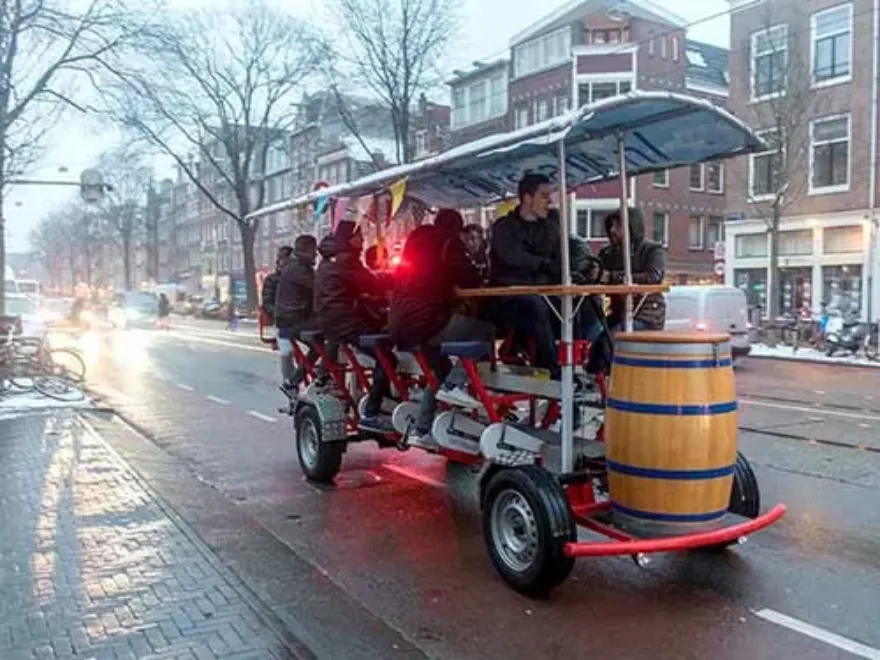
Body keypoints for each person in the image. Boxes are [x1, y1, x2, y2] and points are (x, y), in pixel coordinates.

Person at [390, 210, 495, 444]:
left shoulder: (416, 239)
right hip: (427, 322)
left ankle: (422, 429)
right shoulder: (449, 242)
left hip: (399, 323)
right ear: (456, 229)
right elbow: (470, 279)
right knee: (484, 330)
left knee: (439, 367)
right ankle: (457, 384)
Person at [314, 220, 394, 432]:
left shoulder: (330, 259)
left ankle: (383, 396)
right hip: (346, 322)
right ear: (349, 239)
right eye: (358, 236)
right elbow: (371, 283)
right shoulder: (347, 260)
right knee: (387, 355)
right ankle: (372, 412)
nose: (362, 239)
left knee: (383, 341)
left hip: (332, 321)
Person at [489, 172, 562, 379]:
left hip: (546, 292)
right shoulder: (504, 227)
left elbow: (563, 253)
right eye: (544, 196)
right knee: (534, 305)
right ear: (528, 198)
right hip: (508, 300)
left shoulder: (551, 227)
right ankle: (551, 368)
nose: (549, 202)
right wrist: (545, 265)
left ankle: (595, 364)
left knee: (585, 304)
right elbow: (512, 257)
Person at [597, 207, 666, 331]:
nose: (612, 230)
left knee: (610, 339)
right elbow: (597, 274)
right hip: (619, 314)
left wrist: (612, 277)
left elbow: (654, 277)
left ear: (631, 228)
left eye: (618, 226)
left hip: (647, 315)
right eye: (611, 225)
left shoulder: (652, 249)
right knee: (593, 334)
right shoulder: (607, 253)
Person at [275, 236, 319, 390]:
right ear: (305, 250)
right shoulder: (299, 270)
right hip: (294, 320)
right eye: (314, 250)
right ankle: (318, 377)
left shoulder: (298, 266)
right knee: (328, 339)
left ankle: (297, 380)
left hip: (291, 318)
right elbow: (319, 288)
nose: (316, 254)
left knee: (321, 343)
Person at [260, 246, 292, 327]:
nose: (279, 261)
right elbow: (267, 303)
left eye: (283, 258)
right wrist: (279, 315)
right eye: (279, 258)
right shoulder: (272, 279)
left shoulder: (299, 277)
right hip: (281, 322)